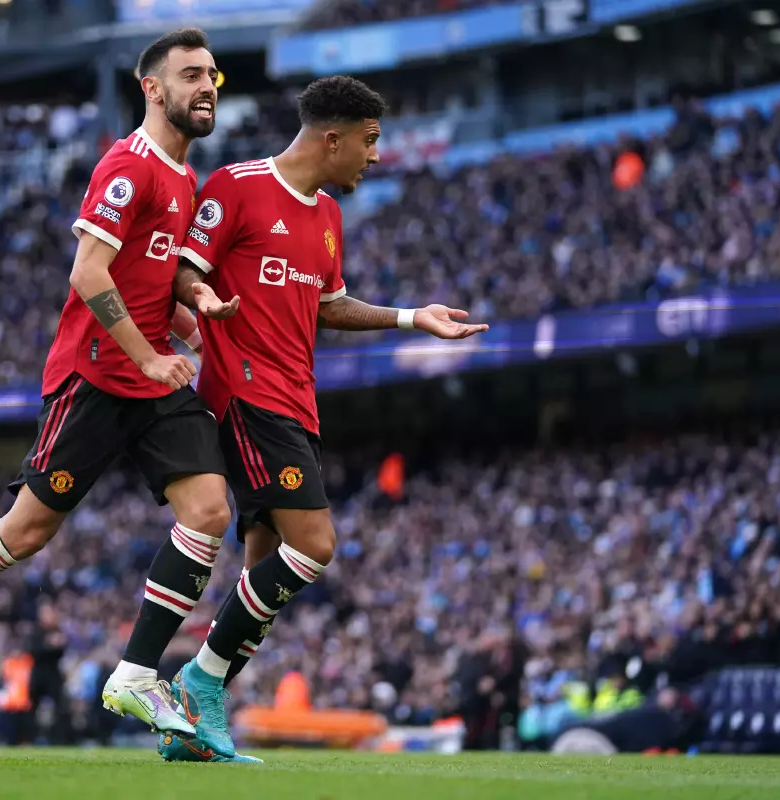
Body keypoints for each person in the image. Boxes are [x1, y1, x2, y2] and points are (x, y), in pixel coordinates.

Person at [0, 27, 243, 741]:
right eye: (191, 75)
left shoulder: (186, 180)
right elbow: (88, 273)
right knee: (25, 532)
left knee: (210, 511)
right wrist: (151, 357)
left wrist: (194, 326)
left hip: (152, 379)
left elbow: (150, 284)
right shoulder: (129, 167)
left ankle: (135, 677)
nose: (207, 86)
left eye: (211, 74)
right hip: (93, 379)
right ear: (152, 89)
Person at [160, 75, 488, 761]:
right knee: (313, 546)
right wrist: (202, 308)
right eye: (370, 141)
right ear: (332, 139)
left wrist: (411, 317)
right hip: (246, 394)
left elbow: (328, 305)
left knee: (262, 577)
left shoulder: (329, 217)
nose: (376, 156)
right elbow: (183, 273)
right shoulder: (236, 186)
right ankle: (198, 680)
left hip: (297, 401)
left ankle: (195, 729)